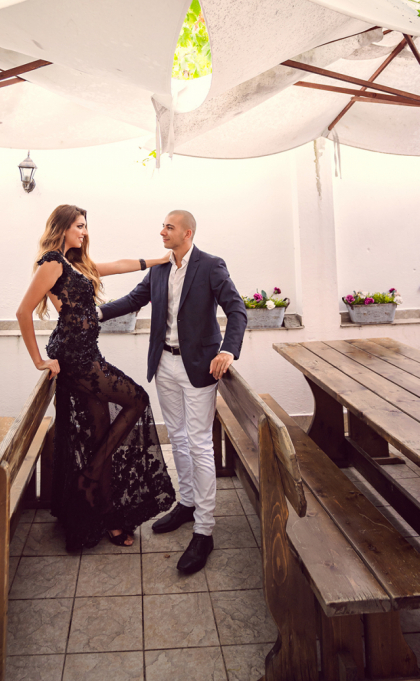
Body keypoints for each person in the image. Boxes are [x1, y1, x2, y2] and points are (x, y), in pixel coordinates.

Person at [16, 204, 175, 553]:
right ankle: (89, 477)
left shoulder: (75, 264)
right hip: (76, 360)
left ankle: (103, 510)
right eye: (78, 226)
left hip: (89, 355)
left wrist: (157, 261)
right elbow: (22, 311)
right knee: (138, 399)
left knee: (101, 433)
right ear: (62, 227)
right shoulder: (52, 262)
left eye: (85, 226)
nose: (84, 232)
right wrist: (39, 361)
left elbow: (117, 266)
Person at [98, 210, 247, 574]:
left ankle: (205, 529)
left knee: (198, 442)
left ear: (187, 232)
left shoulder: (211, 265)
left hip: (199, 367)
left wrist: (228, 350)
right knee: (177, 438)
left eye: (169, 227)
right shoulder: (160, 268)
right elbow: (133, 300)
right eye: (163, 225)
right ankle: (187, 503)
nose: (162, 231)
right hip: (164, 364)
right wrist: (93, 313)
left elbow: (237, 309)